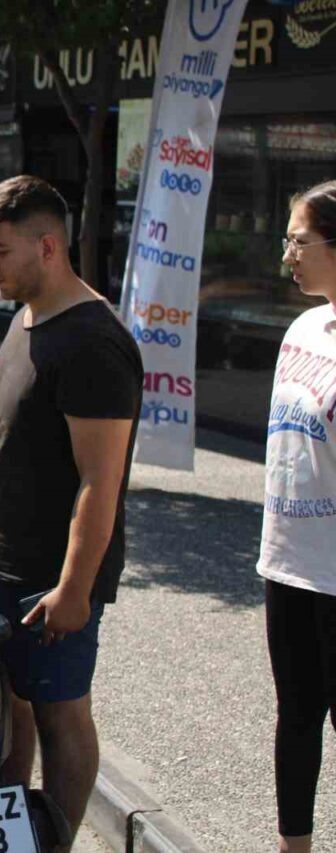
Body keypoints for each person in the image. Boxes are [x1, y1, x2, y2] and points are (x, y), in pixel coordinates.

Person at [0, 175, 141, 848]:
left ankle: (53, 841)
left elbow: (100, 480)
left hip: (44, 577)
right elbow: (13, 432)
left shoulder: (92, 341)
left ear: (48, 245)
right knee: (8, 710)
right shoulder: (27, 312)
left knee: (62, 713)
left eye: (0, 250)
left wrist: (74, 588)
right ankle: (9, 834)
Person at [258, 180, 336, 853]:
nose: (287, 254)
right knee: (296, 715)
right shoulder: (303, 328)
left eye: (299, 240)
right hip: (287, 560)